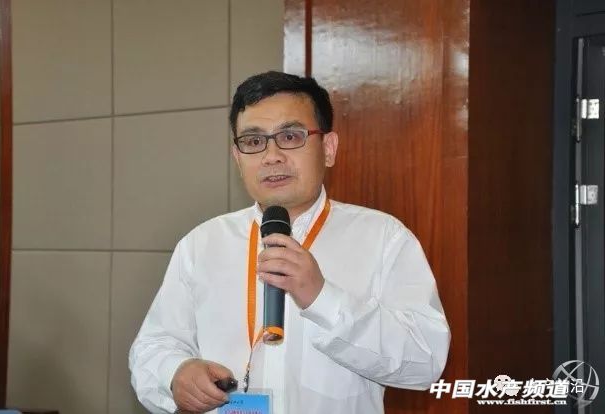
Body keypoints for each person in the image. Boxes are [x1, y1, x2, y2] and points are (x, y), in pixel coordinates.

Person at [129, 71, 450, 414]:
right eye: (254, 141)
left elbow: (425, 361)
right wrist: (175, 374)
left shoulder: (384, 238)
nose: (271, 156)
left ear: (328, 148)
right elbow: (152, 347)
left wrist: (321, 297)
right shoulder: (202, 244)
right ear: (238, 157)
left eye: (290, 136)